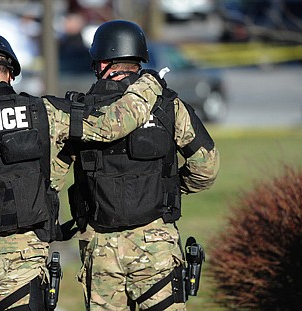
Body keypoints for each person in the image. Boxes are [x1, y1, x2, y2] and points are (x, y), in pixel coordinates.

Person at [0, 32, 164, 311]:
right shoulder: (44, 113)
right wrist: (149, 85)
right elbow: (113, 125)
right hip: (23, 261)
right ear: (11, 74)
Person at [60, 20, 220, 310]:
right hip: (156, 244)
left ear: (103, 62)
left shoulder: (81, 113)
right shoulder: (169, 106)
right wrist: (168, 187)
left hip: (101, 246)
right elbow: (206, 167)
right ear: (138, 60)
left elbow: (52, 176)